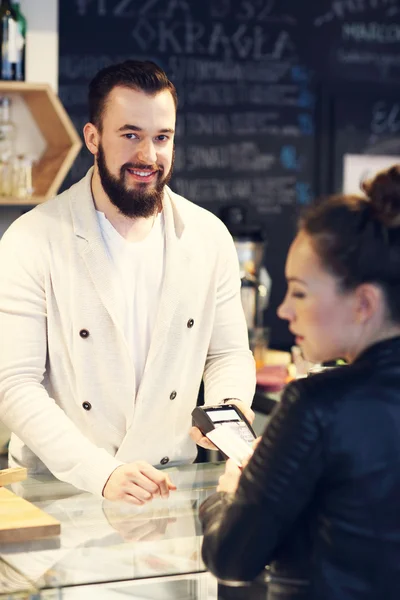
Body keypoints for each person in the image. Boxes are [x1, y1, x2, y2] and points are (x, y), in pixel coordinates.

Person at [0, 60, 255, 504]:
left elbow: (228, 353)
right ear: (93, 138)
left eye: (162, 138)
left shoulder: (208, 236)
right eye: (131, 134)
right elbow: (15, 385)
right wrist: (101, 473)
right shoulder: (32, 238)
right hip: (62, 492)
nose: (148, 156)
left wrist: (227, 409)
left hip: (170, 490)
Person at [200, 165, 400, 600]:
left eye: (300, 292)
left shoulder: (316, 405)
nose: (285, 310)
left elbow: (232, 558)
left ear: (364, 302)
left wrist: (228, 495)